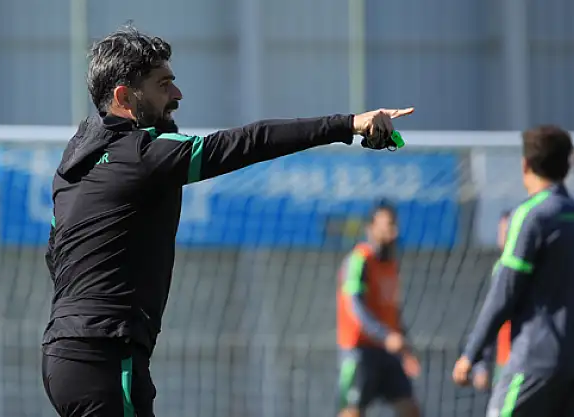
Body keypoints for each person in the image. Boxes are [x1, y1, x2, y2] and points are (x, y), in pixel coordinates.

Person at [40, 25, 415, 417]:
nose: (177, 95)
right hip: (105, 355)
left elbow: (56, 255)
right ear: (124, 97)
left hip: (65, 353)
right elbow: (251, 141)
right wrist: (348, 124)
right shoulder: (144, 154)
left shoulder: (72, 165)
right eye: (163, 84)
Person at [452, 125, 574, 417]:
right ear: (566, 166)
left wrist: (471, 353)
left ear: (525, 165)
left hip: (537, 362)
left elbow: (504, 293)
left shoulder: (531, 215)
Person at [336, 200, 421, 417]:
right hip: (360, 350)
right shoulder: (359, 260)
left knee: (409, 407)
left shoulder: (391, 265)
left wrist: (405, 349)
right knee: (353, 411)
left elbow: (393, 311)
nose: (393, 232)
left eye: (394, 225)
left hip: (387, 351)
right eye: (387, 225)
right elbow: (355, 306)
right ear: (371, 229)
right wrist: (385, 335)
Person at [471, 210, 513, 392]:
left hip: (522, 361)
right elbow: (493, 315)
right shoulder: (500, 266)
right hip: (504, 359)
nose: (503, 235)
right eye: (500, 230)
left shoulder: (522, 267)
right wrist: (482, 362)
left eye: (508, 230)